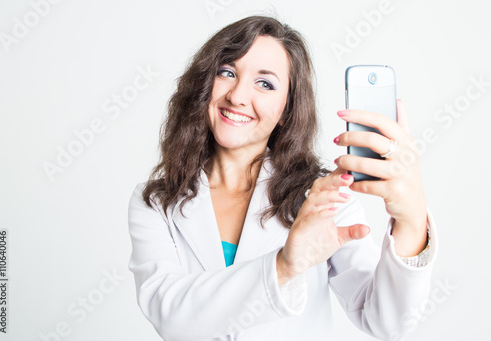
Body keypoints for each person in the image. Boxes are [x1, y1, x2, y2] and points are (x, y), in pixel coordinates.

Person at [128, 15, 437, 341]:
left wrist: (413, 221)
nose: (237, 96)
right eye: (227, 72)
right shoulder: (155, 202)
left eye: (265, 83)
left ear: (287, 108)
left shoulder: (322, 196)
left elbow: (386, 321)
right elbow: (172, 318)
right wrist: (284, 265)